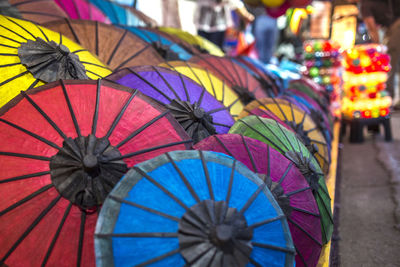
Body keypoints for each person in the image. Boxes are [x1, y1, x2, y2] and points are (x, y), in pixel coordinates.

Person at [360, 0, 400, 107]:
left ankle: (387, 99)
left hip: (396, 25)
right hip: (393, 25)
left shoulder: (364, 4)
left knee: (389, 62)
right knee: (396, 62)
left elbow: (372, 29)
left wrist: (377, 49)